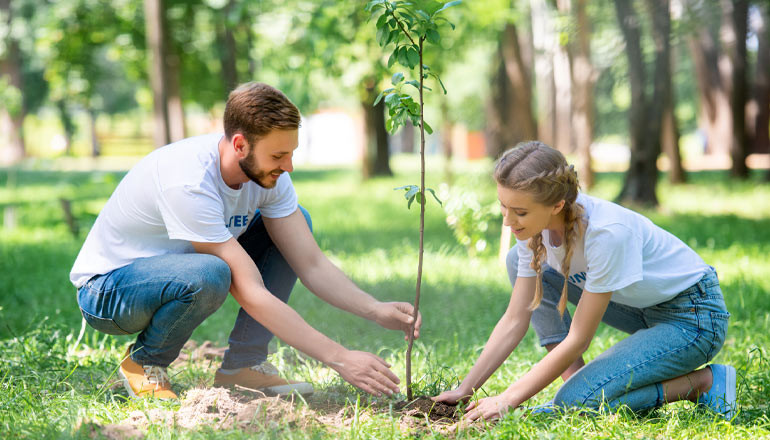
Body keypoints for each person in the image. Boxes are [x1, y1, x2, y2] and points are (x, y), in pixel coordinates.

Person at [70, 82, 421, 400]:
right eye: (278, 156)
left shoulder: (270, 176)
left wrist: (375, 309)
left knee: (295, 222)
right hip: (108, 292)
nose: (289, 167)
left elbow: (310, 264)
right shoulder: (190, 181)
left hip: (175, 275)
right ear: (240, 144)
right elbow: (250, 291)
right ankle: (144, 362)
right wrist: (340, 358)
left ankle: (243, 366)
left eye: (291, 153)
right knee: (211, 273)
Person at [433, 141, 735, 420]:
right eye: (503, 206)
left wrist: (509, 398)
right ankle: (577, 381)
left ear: (556, 206)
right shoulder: (530, 231)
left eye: (520, 212)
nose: (508, 221)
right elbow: (515, 319)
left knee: (577, 404)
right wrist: (465, 389)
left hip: (692, 319)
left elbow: (579, 337)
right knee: (516, 260)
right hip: (640, 308)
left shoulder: (606, 234)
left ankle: (704, 383)